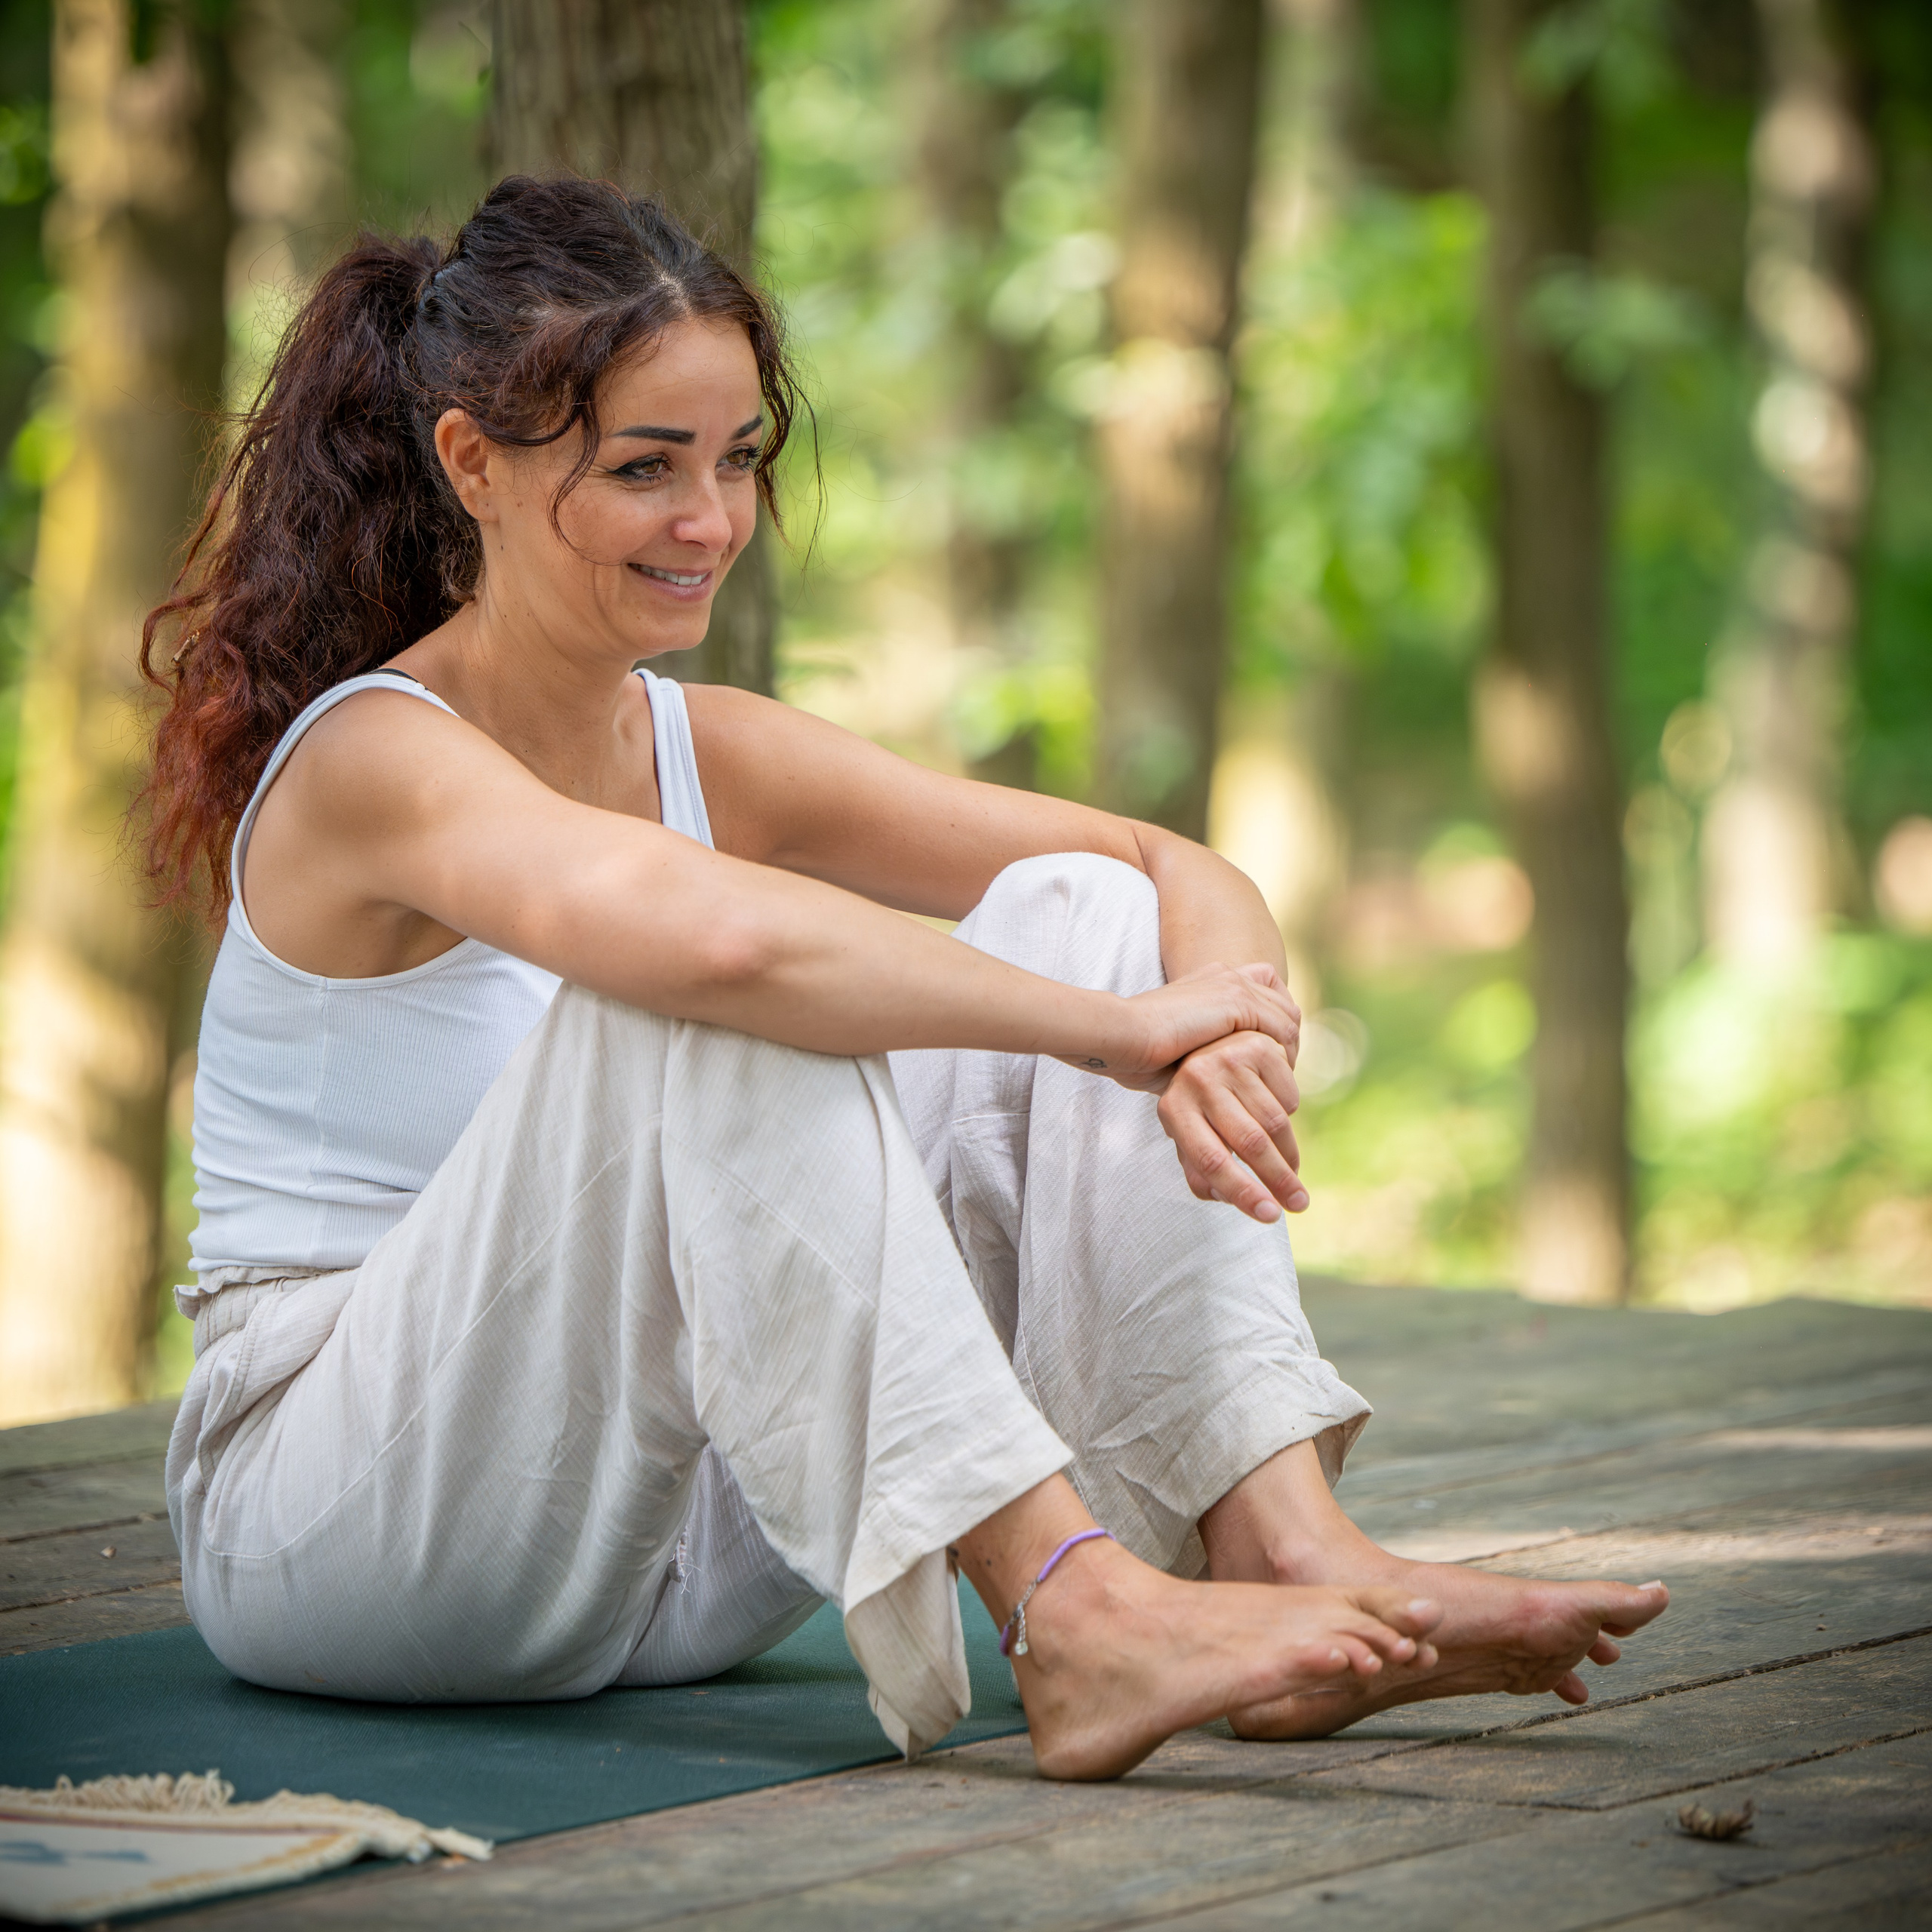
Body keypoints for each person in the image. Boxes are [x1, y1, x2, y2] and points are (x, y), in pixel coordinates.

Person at [145, 176, 1666, 1783]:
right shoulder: (375, 760)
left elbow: (1169, 871)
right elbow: (721, 945)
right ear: (474, 465)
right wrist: (1117, 1034)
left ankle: (1282, 1546)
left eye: (737, 460)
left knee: (1082, 902)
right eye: (646, 467)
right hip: (345, 1527)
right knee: (714, 996)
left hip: (667, 1534)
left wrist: (1216, 1030)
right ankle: (1074, 1610)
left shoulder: (706, 748)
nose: (711, 520)